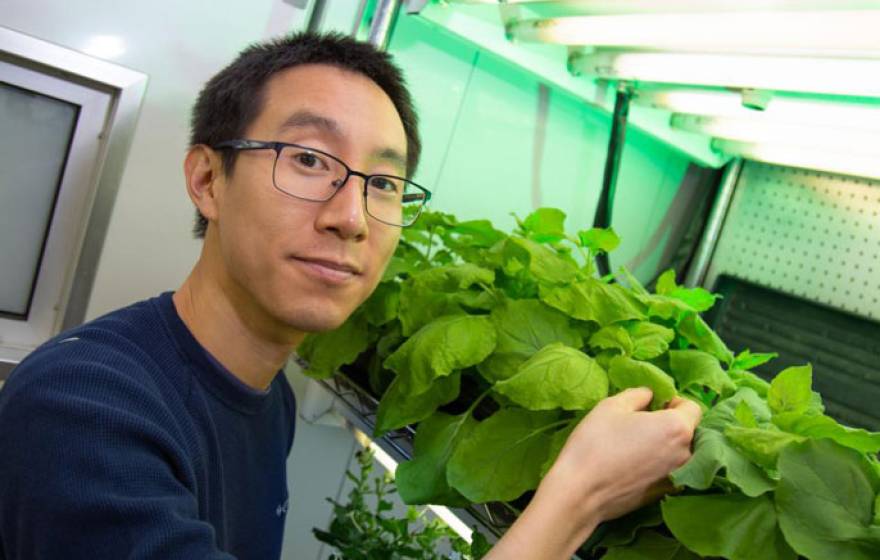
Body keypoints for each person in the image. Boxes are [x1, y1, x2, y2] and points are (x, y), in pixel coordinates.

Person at [0, 32, 700, 559]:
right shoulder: (83, 407)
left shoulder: (265, 397)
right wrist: (579, 493)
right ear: (209, 181)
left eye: (384, 183)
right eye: (308, 160)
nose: (352, 216)